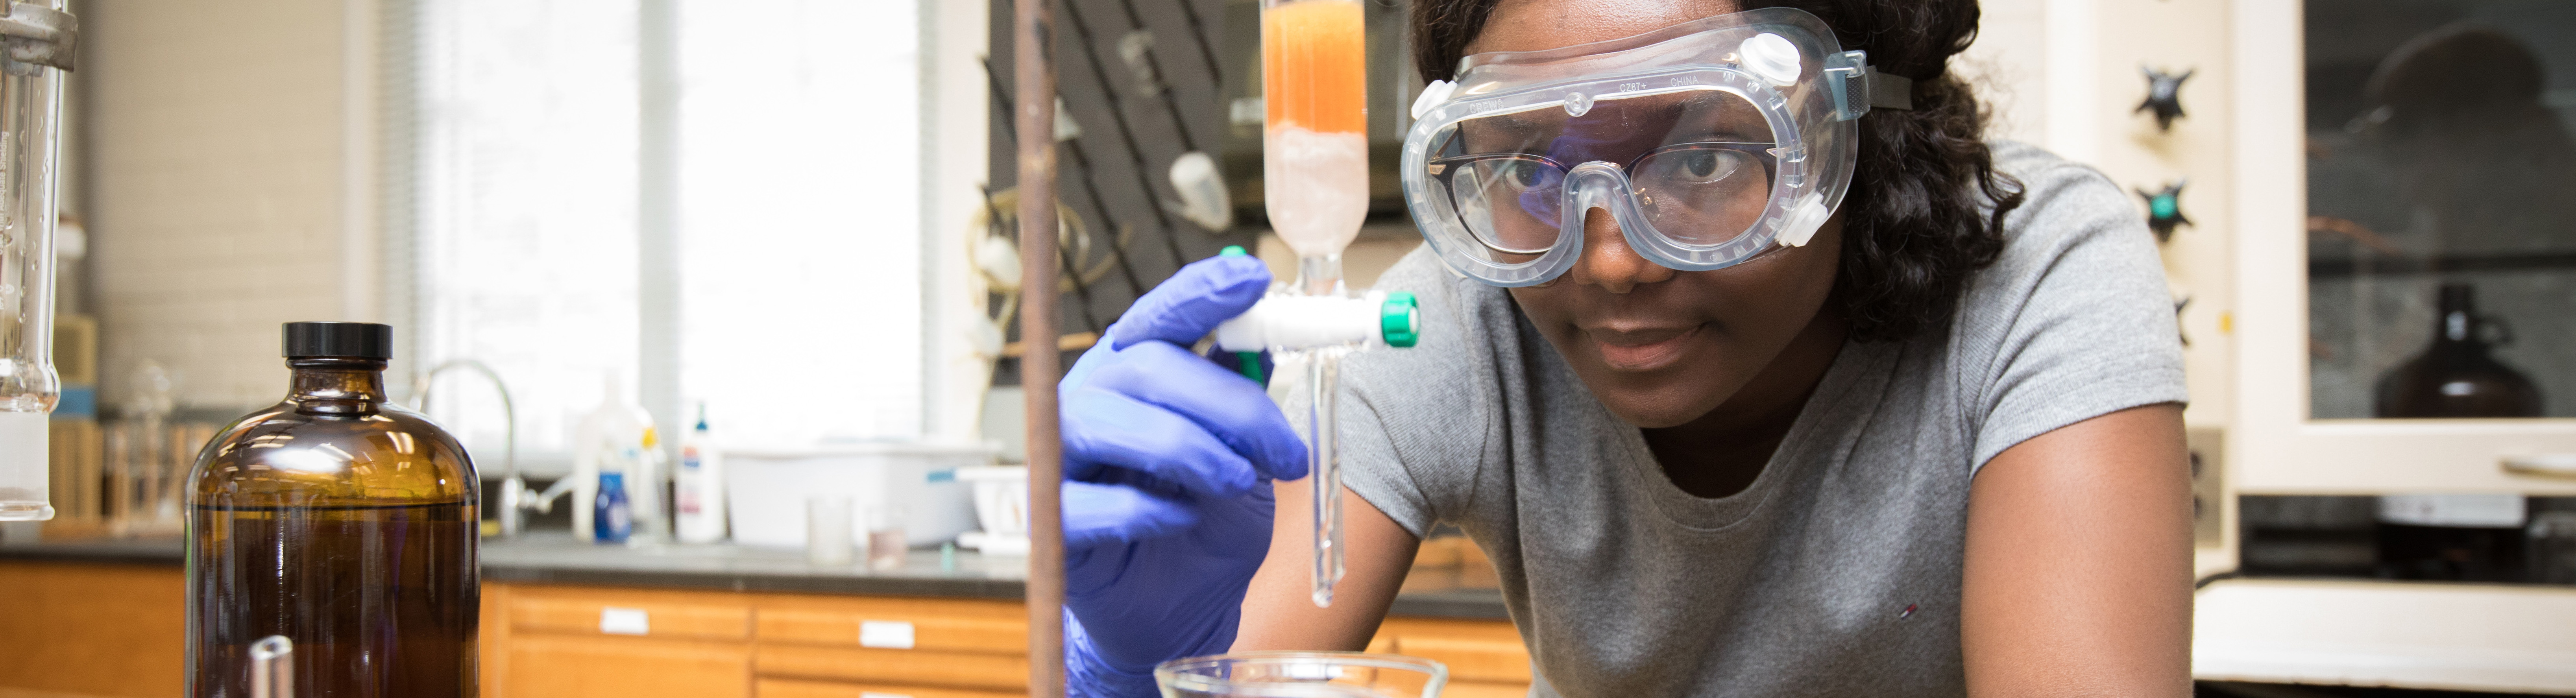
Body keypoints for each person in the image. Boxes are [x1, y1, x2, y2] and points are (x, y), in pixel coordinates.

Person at [1055, 0, 2193, 695]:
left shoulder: (2034, 265)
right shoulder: (1460, 314)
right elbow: (1247, 672)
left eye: (1701, 161)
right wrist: (1127, 673)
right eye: (1527, 164)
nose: (1605, 262)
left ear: (1849, 138)